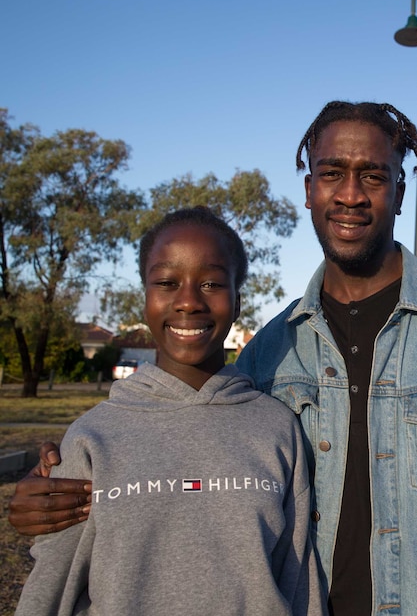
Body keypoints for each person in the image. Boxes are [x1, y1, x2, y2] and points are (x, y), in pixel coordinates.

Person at [9, 102, 417, 615]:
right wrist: (56, 485)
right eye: (332, 173)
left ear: (400, 192)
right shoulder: (265, 353)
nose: (351, 194)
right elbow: (194, 454)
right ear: (309, 190)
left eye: (373, 175)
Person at [14, 207, 323, 616]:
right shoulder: (93, 437)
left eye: (212, 283)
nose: (189, 301)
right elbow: (54, 585)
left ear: (238, 299)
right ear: (145, 295)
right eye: (166, 282)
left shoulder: (276, 428)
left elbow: (298, 577)